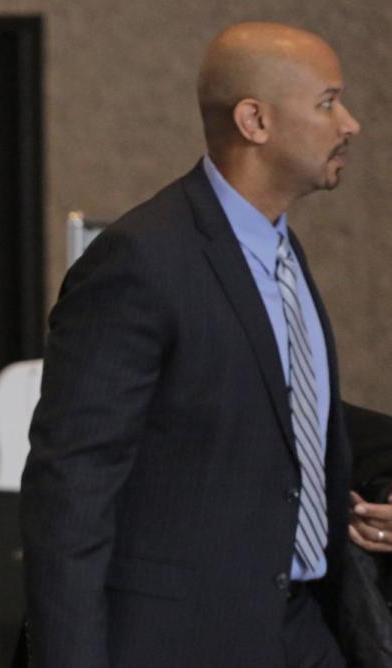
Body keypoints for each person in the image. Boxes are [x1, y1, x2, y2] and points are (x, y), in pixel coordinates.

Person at [20, 22, 359, 667]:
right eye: (327, 102)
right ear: (255, 121)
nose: (350, 124)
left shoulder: (284, 251)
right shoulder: (142, 259)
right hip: (183, 639)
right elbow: (72, 485)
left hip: (306, 626)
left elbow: (268, 429)